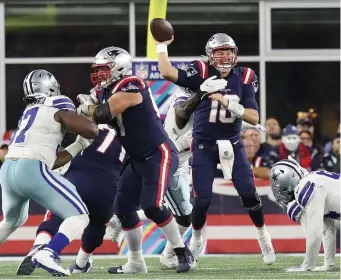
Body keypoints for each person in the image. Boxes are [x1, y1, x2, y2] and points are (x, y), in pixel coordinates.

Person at [154, 32, 275, 265]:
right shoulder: (200, 71)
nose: (225, 56)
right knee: (202, 200)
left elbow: (253, 116)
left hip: (233, 142)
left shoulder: (246, 76)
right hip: (202, 143)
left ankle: (264, 237)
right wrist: (161, 46)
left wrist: (225, 100)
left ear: (236, 54)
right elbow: (167, 72)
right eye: (220, 52)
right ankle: (196, 241)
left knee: (249, 192)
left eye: (229, 51)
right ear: (210, 55)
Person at [78, 47, 195, 274]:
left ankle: (182, 252)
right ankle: (135, 262)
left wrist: (86, 107)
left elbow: (103, 114)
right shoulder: (106, 91)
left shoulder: (132, 83)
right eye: (98, 70)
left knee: (152, 205)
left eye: (104, 69)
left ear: (118, 67)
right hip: (136, 157)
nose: (100, 74)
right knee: (123, 209)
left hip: (158, 153)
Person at [0, 69, 98, 276]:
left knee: (11, 221)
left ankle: (43, 250)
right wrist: (88, 114)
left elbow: (52, 161)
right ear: (51, 87)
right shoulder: (58, 102)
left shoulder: (30, 113)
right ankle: (48, 252)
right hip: (30, 168)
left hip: (8, 170)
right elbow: (91, 130)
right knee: (80, 216)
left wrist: (79, 144)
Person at [17, 100, 125, 275]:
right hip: (107, 187)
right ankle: (81, 263)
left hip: (77, 177)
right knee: (97, 225)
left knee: (56, 215)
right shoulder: (128, 139)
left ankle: (40, 246)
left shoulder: (88, 126)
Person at [270, 158, 340, 271]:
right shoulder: (313, 178)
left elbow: (315, 233)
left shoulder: (305, 186)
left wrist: (307, 266)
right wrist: (328, 264)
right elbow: (327, 229)